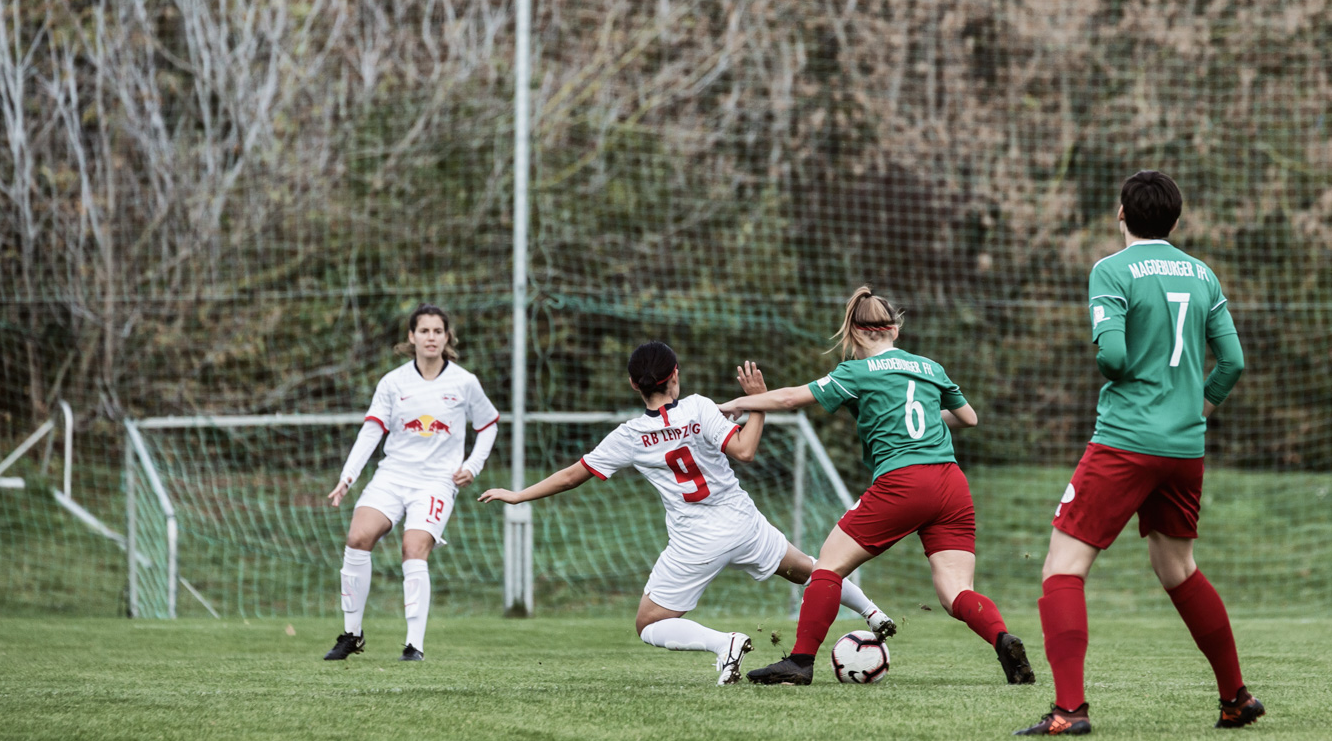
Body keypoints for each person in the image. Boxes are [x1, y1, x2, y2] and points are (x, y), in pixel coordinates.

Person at [477, 342, 894, 684]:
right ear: (675, 374)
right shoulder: (698, 408)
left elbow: (571, 476)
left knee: (649, 623)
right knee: (810, 570)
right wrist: (756, 403)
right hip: (741, 520)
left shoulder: (630, 435)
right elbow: (745, 450)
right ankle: (874, 612)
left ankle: (723, 644)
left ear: (632, 384)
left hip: (696, 538)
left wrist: (518, 496)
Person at [1017, 170, 1262, 736]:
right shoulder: (1202, 274)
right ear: (1175, 221)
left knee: (1062, 568)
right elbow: (1233, 362)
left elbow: (1113, 359)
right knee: (1177, 568)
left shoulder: (1111, 269)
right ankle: (1235, 697)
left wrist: (1122, 358)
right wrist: (1200, 406)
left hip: (1125, 440)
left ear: (1120, 214)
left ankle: (1069, 711)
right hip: (1184, 446)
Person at [717, 287, 1034, 687]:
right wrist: (929, 427)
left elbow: (789, 400)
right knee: (955, 591)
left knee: (827, 566)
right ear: (894, 331)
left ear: (855, 333)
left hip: (903, 482)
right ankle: (1002, 638)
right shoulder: (930, 367)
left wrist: (735, 405)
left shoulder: (855, 372)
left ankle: (799, 662)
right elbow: (967, 417)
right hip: (951, 483)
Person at [322, 305, 499, 663]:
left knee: (413, 547)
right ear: (411, 337)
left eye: (438, 331)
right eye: (424, 331)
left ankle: (413, 645)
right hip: (393, 475)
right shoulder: (393, 382)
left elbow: (488, 424)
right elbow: (372, 428)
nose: (431, 337)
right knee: (358, 537)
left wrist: (473, 465)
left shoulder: (464, 382)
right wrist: (348, 476)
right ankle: (351, 635)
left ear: (447, 337)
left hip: (436, 481)